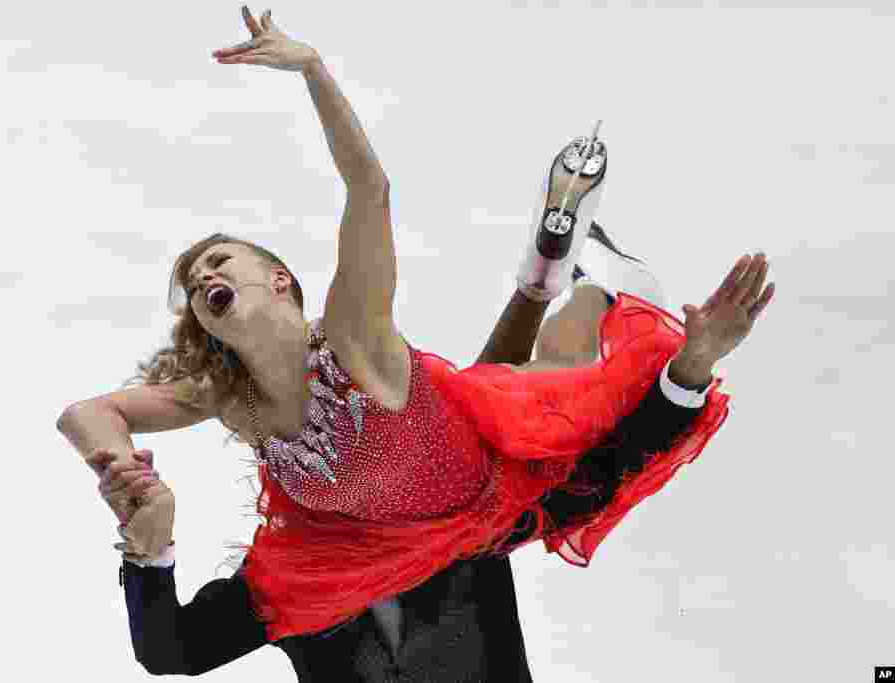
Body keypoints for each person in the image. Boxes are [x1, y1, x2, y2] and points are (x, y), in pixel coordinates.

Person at [58, 4, 773, 645]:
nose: (204, 278)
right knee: (509, 378)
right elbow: (86, 412)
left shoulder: (349, 334)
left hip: (491, 475)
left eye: (219, 261)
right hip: (403, 544)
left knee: (559, 379)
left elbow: (368, 186)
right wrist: (118, 469)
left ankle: (574, 278)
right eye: (194, 283)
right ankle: (542, 275)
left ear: (280, 280)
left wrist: (311, 69)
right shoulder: (228, 397)